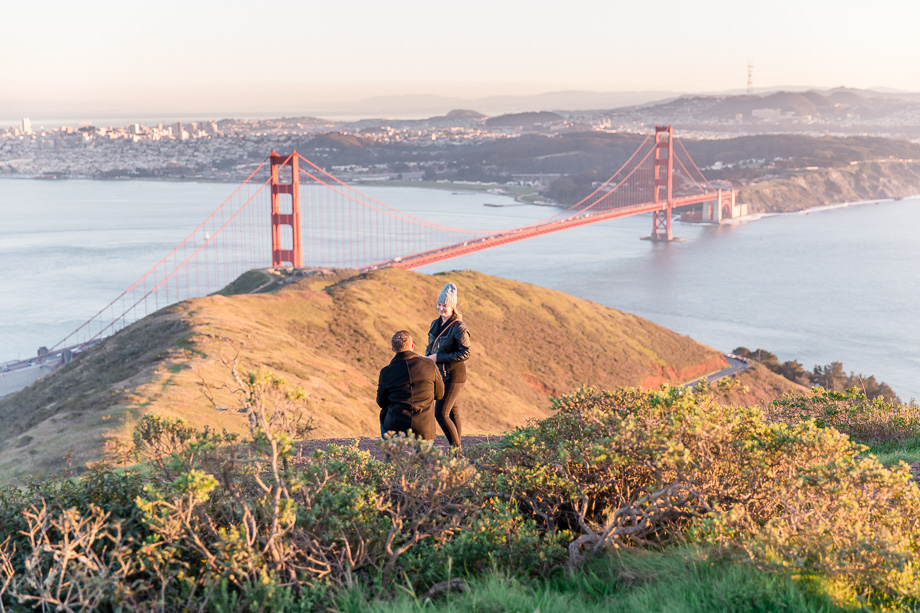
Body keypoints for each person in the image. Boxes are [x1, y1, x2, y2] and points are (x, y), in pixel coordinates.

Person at [425, 282, 471, 450]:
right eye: (439, 304)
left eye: (445, 305)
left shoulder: (459, 327)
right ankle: (457, 450)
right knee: (452, 412)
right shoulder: (435, 324)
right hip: (441, 375)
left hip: (455, 375)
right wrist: (427, 358)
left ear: (452, 307)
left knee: (441, 414)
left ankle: (456, 449)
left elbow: (465, 352)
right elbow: (430, 345)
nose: (441, 308)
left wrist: (438, 357)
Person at [377, 330, 444, 440]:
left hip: (396, 427)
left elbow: (381, 402)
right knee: (423, 457)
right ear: (412, 346)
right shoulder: (429, 365)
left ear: (393, 349)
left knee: (383, 415)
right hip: (424, 428)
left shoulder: (386, 372)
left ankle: (391, 455)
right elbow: (439, 394)